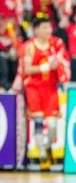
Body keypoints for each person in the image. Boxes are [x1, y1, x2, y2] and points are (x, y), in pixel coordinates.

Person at [20, 15, 70, 170]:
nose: (48, 30)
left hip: (51, 88)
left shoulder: (56, 44)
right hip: (34, 88)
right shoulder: (29, 46)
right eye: (44, 27)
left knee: (53, 124)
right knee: (38, 121)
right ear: (36, 30)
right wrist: (47, 67)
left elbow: (64, 61)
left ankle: (47, 147)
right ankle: (42, 154)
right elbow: (27, 69)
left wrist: (61, 68)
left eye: (49, 27)